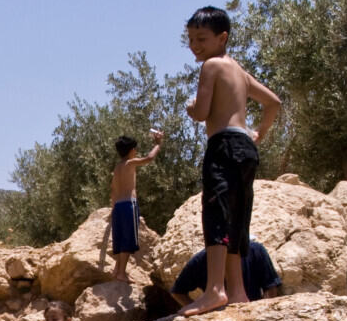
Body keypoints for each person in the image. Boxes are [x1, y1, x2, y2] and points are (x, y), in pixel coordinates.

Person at [179, 6, 282, 317]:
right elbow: (273, 102)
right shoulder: (239, 70)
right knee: (238, 218)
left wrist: (191, 106)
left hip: (222, 144)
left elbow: (201, 113)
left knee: (217, 214)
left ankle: (214, 290)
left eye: (202, 38)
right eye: (191, 39)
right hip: (245, 148)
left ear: (222, 38)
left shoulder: (211, 66)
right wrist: (258, 134)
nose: (196, 46)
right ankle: (237, 292)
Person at [109, 131, 162, 283]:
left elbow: (112, 189)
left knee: (119, 239)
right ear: (132, 151)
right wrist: (157, 144)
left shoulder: (117, 168)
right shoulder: (130, 163)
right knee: (128, 239)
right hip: (128, 204)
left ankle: (116, 270)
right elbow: (149, 158)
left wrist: (113, 208)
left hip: (118, 206)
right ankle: (122, 273)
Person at [170, 242, 283, 305]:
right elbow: (178, 292)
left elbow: (271, 286)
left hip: (252, 308)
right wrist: (199, 314)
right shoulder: (200, 260)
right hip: (218, 316)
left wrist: (262, 309)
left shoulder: (255, 250)